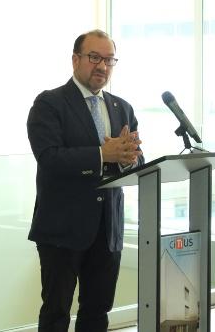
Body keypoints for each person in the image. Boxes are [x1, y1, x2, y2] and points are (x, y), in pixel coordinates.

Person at [26, 29, 143, 332]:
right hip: (62, 229)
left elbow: (138, 159)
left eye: (109, 60)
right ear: (75, 59)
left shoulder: (122, 108)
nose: (102, 66)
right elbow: (49, 157)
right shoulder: (50, 103)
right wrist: (103, 155)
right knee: (56, 314)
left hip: (108, 228)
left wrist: (129, 158)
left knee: (97, 312)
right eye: (94, 57)